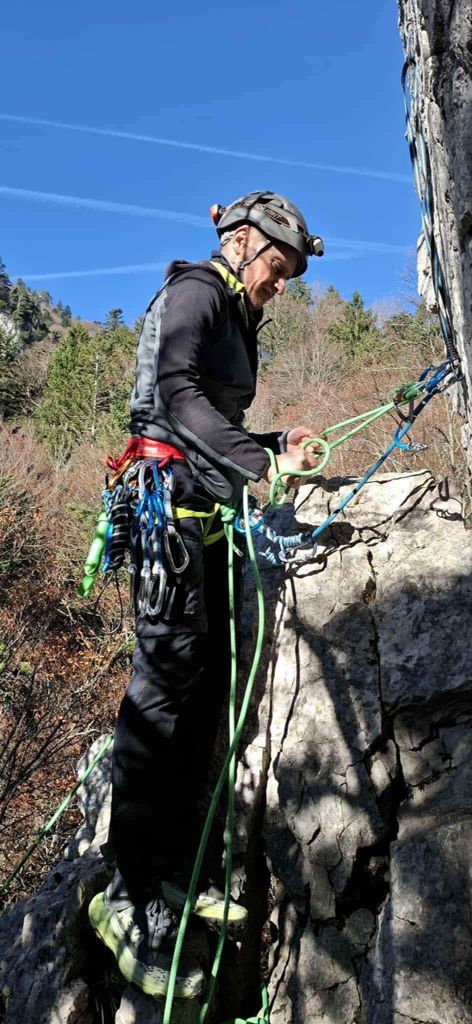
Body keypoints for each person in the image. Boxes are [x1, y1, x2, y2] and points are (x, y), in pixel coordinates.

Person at [89, 190, 324, 998]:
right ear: (242, 242)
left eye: (290, 274)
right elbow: (180, 399)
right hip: (169, 521)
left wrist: (272, 443)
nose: (282, 284)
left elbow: (209, 418)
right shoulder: (196, 290)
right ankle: (126, 898)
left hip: (203, 521)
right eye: (279, 267)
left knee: (199, 702)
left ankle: (172, 874)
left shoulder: (233, 309)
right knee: (160, 703)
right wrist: (260, 468)